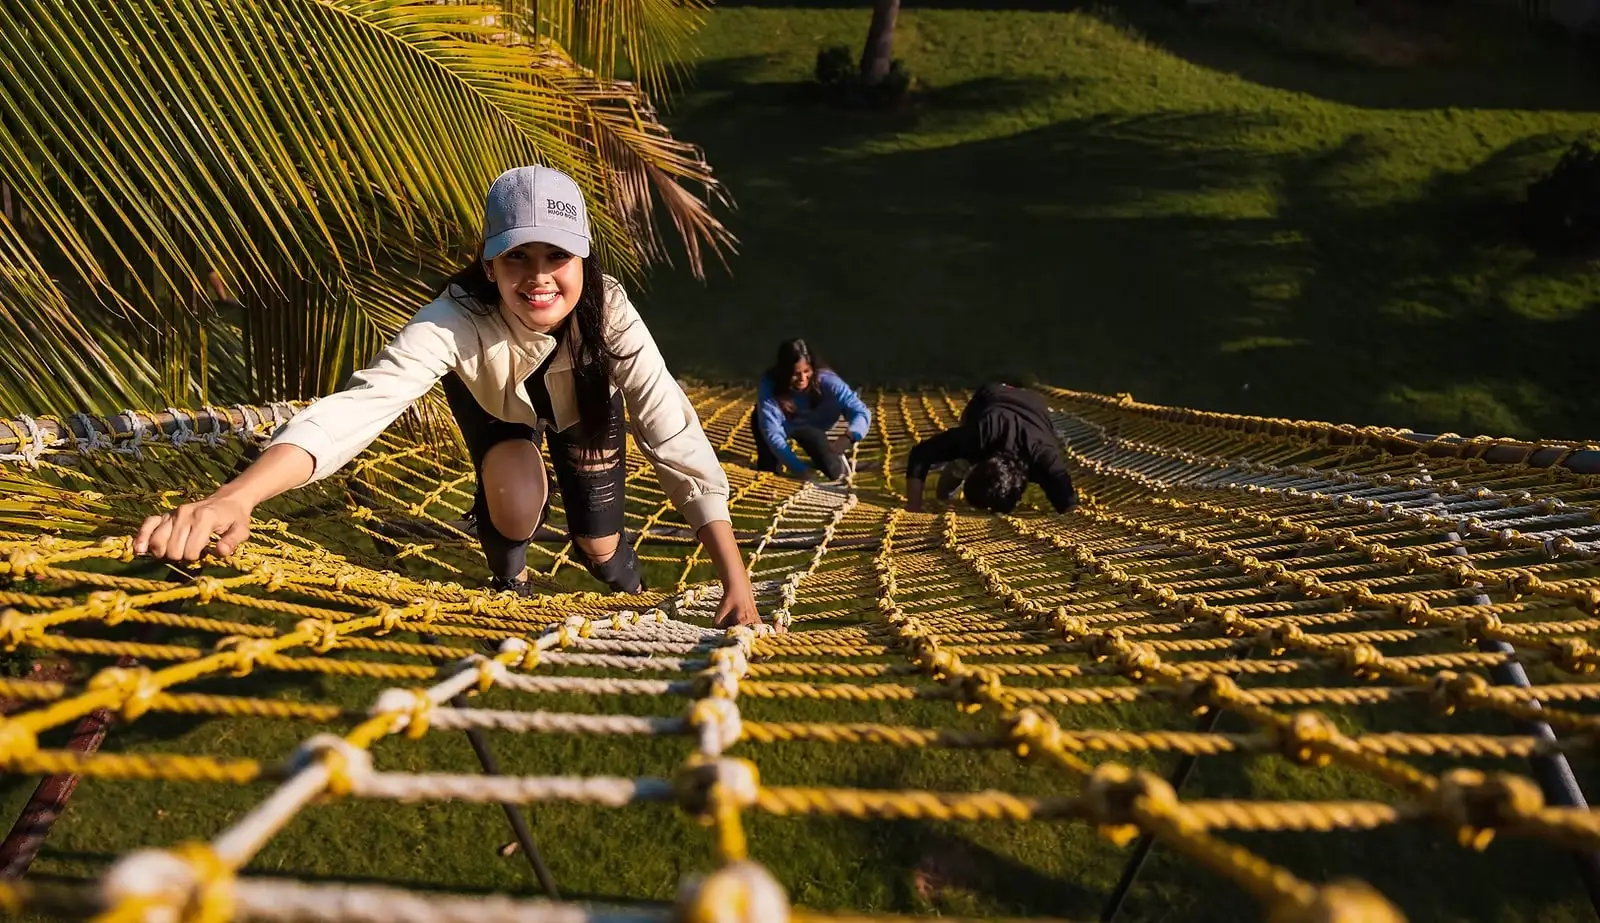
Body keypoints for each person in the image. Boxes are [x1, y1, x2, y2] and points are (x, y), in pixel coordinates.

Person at [134, 164, 763, 629]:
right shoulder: (455, 320)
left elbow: (670, 429)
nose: (539, 275)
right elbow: (363, 405)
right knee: (517, 501)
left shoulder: (610, 313)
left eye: (557, 255)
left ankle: (627, 594)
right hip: (498, 409)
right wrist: (234, 497)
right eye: (518, 256)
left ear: (585, 259)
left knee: (599, 545)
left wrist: (734, 574)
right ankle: (508, 579)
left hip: (582, 409)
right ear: (489, 265)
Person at [903, 380, 1076, 515]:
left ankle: (956, 478)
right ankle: (947, 494)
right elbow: (920, 454)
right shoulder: (978, 436)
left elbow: (1070, 505)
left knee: (963, 457)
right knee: (961, 461)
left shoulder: (1045, 460)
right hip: (992, 395)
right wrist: (913, 506)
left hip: (1033, 402)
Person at [752, 338, 870, 481]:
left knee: (834, 471)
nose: (802, 378)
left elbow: (860, 411)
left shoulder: (827, 381)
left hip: (812, 427)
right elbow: (772, 433)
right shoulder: (770, 385)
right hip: (784, 423)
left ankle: (837, 464)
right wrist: (800, 470)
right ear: (784, 372)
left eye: (807, 371)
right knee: (768, 471)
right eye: (795, 373)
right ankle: (771, 469)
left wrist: (849, 436)